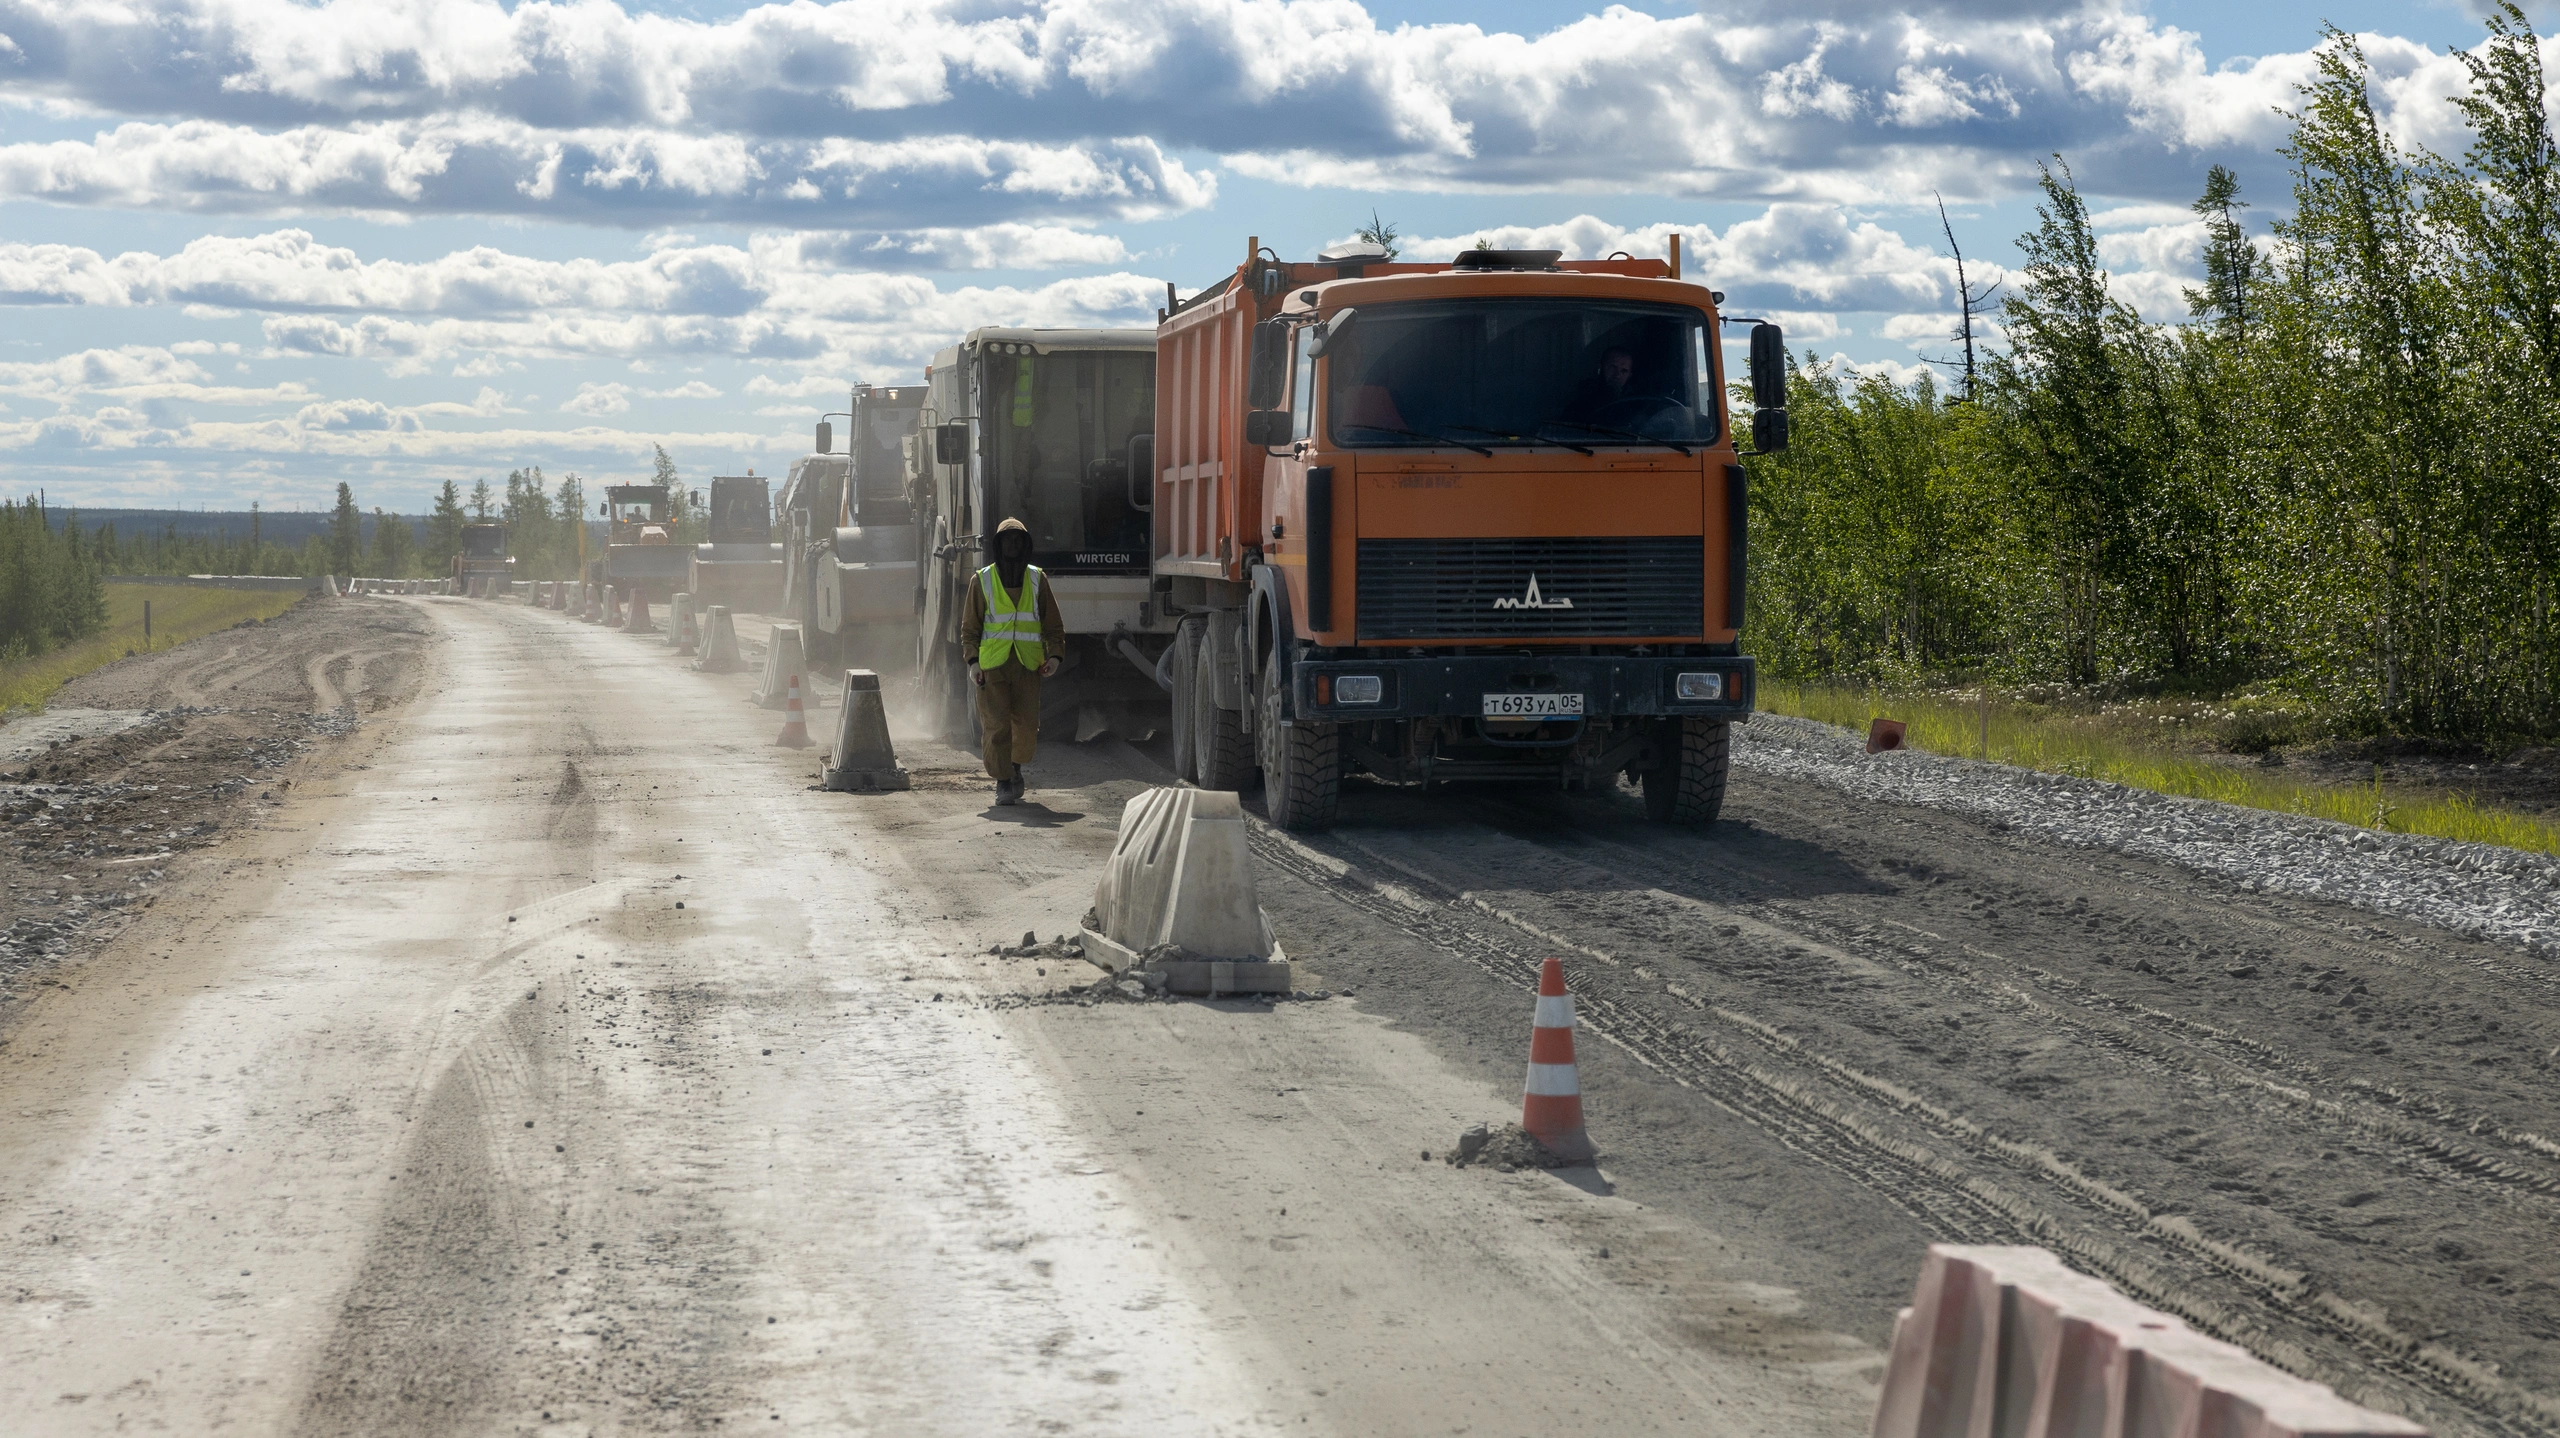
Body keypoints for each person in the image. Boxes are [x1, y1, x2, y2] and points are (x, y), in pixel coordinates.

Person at [960, 516, 1065, 805]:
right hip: (992, 667)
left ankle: (1015, 768)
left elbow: (1053, 625)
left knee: (1027, 726)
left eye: (1018, 541)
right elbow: (969, 630)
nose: (1013, 546)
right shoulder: (981, 580)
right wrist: (973, 663)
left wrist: (1054, 656)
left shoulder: (1037, 579)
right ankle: (1003, 782)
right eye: (1007, 541)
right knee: (996, 726)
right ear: (998, 545)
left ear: (1026, 545)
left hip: (1028, 666)